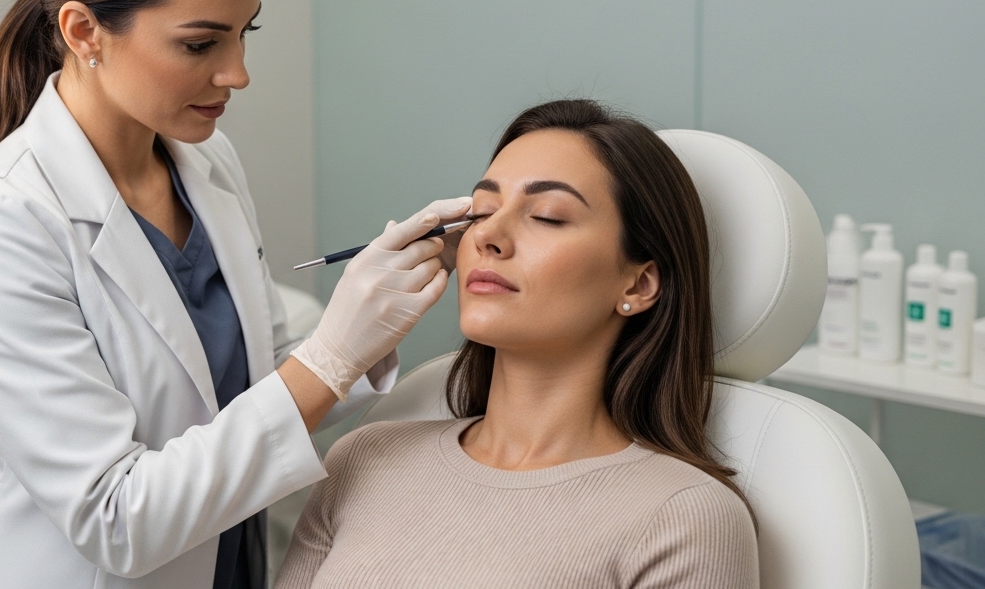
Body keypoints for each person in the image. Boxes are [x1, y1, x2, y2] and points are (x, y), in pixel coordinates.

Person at [0, 0, 470, 589]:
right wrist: (332, 354)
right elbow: (115, 520)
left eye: (246, 33)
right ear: (84, 31)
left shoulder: (207, 166)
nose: (236, 73)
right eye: (200, 43)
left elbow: (254, 397)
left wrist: (372, 306)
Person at [278, 100, 760, 588]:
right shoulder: (363, 458)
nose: (488, 234)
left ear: (637, 286)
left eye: (548, 216)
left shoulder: (683, 516)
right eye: (483, 210)